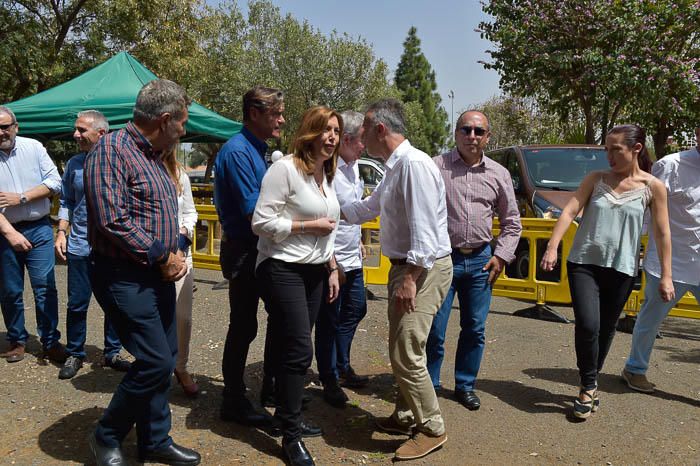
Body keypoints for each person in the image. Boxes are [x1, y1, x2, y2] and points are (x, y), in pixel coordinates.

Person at [84, 79, 200, 466]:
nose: (184, 130)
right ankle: (107, 435)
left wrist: (176, 250)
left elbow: (160, 216)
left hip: (156, 272)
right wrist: (160, 255)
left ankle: (155, 440)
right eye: (181, 123)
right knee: (156, 362)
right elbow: (111, 219)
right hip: (124, 275)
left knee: (166, 354)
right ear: (165, 120)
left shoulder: (154, 155)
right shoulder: (111, 150)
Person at [343, 99, 452, 461]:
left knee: (406, 351)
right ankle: (407, 414)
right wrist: (329, 209)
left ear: (379, 130)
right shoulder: (396, 167)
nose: (359, 136)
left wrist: (411, 278)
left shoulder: (413, 166)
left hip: (420, 268)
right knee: (403, 346)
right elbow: (370, 207)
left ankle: (431, 427)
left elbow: (425, 229)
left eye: (364, 129)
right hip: (409, 267)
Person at [541, 124, 674, 420]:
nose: (609, 156)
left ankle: (590, 381)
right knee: (587, 325)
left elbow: (663, 233)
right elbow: (569, 210)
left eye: (616, 150)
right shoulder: (596, 179)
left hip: (623, 269)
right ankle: (588, 386)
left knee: (606, 328)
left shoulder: (653, 187)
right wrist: (552, 246)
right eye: (607, 150)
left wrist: (666, 275)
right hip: (584, 264)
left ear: (636, 149)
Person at [253, 105, 342, 466]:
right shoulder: (284, 168)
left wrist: (332, 267)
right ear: (309, 132)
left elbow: (331, 228)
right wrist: (306, 227)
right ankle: (291, 436)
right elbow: (261, 221)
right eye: (325, 129)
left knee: (290, 345)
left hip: (315, 270)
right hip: (280, 267)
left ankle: (281, 413)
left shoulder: (326, 173)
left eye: (336, 130)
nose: (332, 137)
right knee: (301, 349)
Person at [426, 111, 522, 411]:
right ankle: (428, 386)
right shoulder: (435, 167)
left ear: (488, 137)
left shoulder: (498, 174)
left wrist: (501, 256)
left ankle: (465, 385)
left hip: (481, 261)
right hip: (442, 259)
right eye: (466, 130)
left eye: (479, 131)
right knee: (434, 328)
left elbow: (512, 222)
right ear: (455, 133)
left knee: (475, 328)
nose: (472, 137)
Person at [214, 86, 285, 426]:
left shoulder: (258, 151)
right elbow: (254, 214)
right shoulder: (238, 152)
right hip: (245, 251)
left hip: (260, 249)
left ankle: (269, 387)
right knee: (243, 326)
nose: (282, 119)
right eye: (276, 113)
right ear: (254, 114)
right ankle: (233, 399)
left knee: (276, 319)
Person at [621, 125, 700, 393]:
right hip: (670, 263)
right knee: (650, 319)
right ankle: (635, 369)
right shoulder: (672, 165)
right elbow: (647, 208)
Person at [55, 110, 131, 380]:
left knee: (114, 303)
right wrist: (61, 232)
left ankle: (112, 352)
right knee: (77, 303)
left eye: (81, 130)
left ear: (101, 133)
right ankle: (75, 352)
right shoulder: (74, 164)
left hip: (112, 248)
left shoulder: (119, 162)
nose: (75, 135)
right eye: (76, 130)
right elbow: (66, 201)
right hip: (79, 246)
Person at [0, 105, 65, 365]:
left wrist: (22, 197)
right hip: (4, 231)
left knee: (45, 288)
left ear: (16, 127)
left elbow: (55, 182)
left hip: (39, 228)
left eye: (5, 126)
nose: (1, 131)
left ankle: (50, 341)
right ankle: (17, 340)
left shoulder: (34, 148)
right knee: (10, 290)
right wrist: (9, 232)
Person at [314, 110, 369, 409]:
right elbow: (327, 216)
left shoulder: (355, 166)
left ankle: (340, 363)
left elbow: (354, 212)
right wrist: (332, 261)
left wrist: (359, 240)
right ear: (347, 140)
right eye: (362, 139)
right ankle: (330, 376)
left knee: (356, 309)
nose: (366, 145)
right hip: (332, 261)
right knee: (329, 321)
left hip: (353, 257)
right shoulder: (327, 171)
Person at [163, 146, 199, 397]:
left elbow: (190, 211)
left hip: (181, 254)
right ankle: (159, 370)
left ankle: (180, 366)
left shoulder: (180, 173)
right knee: (157, 318)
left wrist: (185, 233)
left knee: (183, 318)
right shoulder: (140, 168)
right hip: (151, 257)